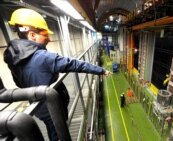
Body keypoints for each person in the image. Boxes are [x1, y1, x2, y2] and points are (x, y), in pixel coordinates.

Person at [4, 8, 112, 141]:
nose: (48, 39)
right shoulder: (44, 57)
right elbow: (77, 64)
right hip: (53, 108)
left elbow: (19, 84)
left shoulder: (13, 59)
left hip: (39, 109)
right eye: (45, 35)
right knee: (58, 133)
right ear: (32, 35)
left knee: (51, 129)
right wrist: (101, 70)